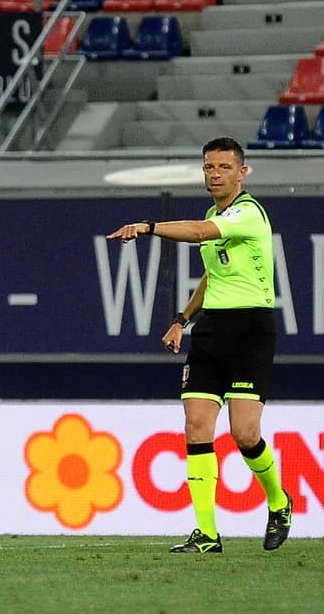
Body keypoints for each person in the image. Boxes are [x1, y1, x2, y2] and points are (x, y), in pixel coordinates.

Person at [107, 136, 291, 554]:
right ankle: (207, 534)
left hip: (250, 332)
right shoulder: (216, 212)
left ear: (242, 172)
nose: (214, 174)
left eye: (224, 167)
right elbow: (213, 277)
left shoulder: (247, 214)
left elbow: (200, 232)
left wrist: (148, 227)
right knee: (196, 427)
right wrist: (181, 320)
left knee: (245, 435)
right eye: (209, 166)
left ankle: (278, 502)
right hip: (211, 332)